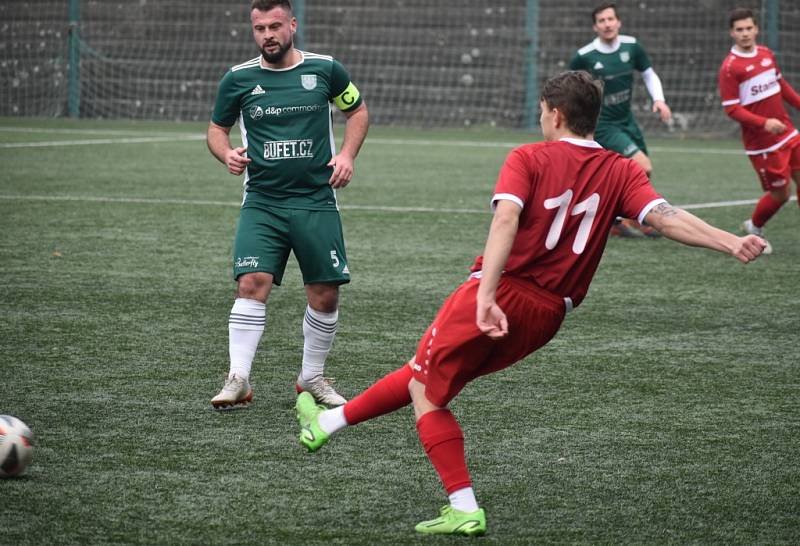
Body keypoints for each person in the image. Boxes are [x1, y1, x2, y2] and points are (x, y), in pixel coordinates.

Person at [294, 70, 766, 536]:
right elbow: (665, 217)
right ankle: (326, 424)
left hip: (503, 291)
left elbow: (506, 222)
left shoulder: (529, 157)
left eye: (542, 111)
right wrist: (730, 243)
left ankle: (463, 506)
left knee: (427, 393)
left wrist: (484, 295)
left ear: (555, 115)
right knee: (426, 370)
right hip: (548, 315)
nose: (541, 118)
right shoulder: (621, 169)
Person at [206, 0, 369, 409]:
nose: (267, 35)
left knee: (325, 293)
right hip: (262, 201)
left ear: (292, 25)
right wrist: (225, 153)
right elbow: (215, 129)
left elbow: (358, 111)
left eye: (275, 26)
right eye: (259, 28)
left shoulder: (326, 69)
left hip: (316, 199)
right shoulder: (238, 79)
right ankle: (238, 378)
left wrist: (347, 155)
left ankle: (311, 376)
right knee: (251, 284)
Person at [569, 2, 672, 238]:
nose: (607, 24)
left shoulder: (632, 46)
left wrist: (659, 99)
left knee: (640, 173)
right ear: (595, 27)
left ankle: (622, 218)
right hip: (603, 124)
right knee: (642, 166)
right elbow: (570, 86)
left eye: (610, 19)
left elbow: (648, 73)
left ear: (618, 22)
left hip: (627, 120)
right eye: (602, 21)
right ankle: (629, 216)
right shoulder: (584, 56)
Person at [719, 7, 800, 255]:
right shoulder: (730, 68)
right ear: (732, 33)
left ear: (756, 29)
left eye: (748, 28)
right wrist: (764, 123)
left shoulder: (766, 54)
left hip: (787, 132)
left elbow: (781, 84)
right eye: (739, 29)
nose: (745, 33)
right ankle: (754, 227)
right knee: (780, 194)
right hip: (763, 143)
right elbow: (732, 110)